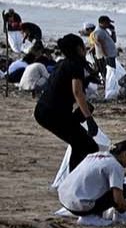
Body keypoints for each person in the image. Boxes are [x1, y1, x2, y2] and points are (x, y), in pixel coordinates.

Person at [35, 33, 98, 162]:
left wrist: (87, 80)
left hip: (43, 109)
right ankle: (74, 179)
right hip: (53, 113)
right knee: (88, 146)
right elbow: (77, 92)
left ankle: (72, 178)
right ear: (79, 48)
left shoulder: (62, 63)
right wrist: (89, 119)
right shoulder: (76, 65)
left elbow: (64, 86)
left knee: (79, 143)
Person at [56, 140, 126, 226]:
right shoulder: (116, 166)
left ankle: (117, 214)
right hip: (79, 206)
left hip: (64, 198)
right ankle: (90, 217)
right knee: (125, 190)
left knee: (111, 187)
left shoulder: (95, 155)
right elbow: (118, 200)